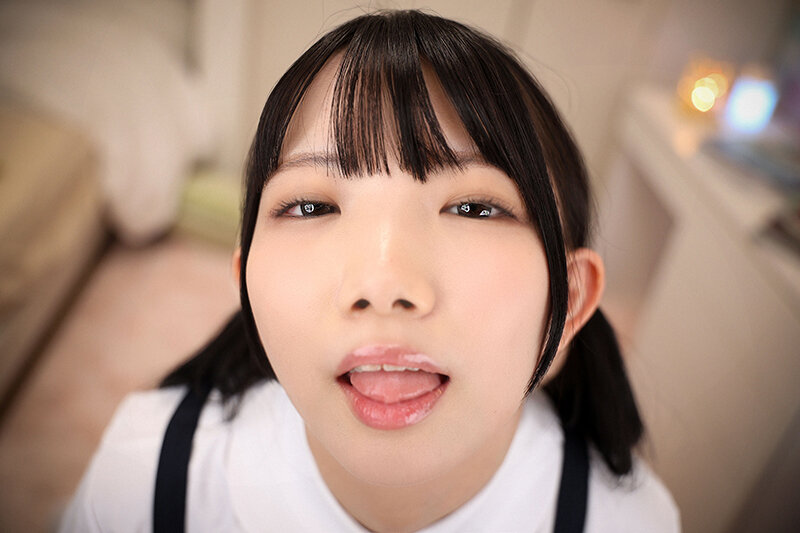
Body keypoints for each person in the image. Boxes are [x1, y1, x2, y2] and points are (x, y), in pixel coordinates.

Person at [60, 9, 679, 533]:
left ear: (569, 300)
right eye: (312, 206)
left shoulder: (629, 520)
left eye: (472, 207)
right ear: (246, 286)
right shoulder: (144, 479)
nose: (383, 286)